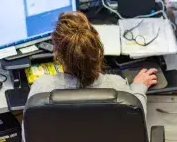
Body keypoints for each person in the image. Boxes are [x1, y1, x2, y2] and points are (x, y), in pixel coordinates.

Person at [23, 11, 158, 138]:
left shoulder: (41, 90)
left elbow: (29, 136)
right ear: (97, 49)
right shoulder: (116, 87)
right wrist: (139, 88)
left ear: (56, 52)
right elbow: (135, 123)